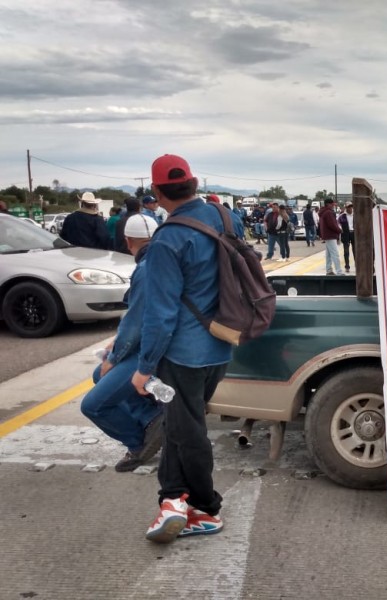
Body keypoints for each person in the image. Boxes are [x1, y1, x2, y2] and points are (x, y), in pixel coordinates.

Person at [132, 154, 233, 543]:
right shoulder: (225, 219)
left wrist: (144, 368)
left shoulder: (166, 242)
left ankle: (207, 508)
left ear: (156, 193)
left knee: (189, 431)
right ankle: (172, 499)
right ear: (193, 184)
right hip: (222, 345)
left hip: (183, 355)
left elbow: (159, 315)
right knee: (179, 424)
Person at [81, 214, 163, 472]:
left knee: (93, 405)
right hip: (162, 342)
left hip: (155, 349)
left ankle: (139, 443)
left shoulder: (148, 268)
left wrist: (114, 358)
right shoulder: (162, 260)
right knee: (99, 375)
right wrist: (116, 343)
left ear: (127, 241)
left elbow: (138, 322)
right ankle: (152, 418)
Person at [319, 198, 343, 275]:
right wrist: (339, 230)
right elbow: (332, 224)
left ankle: (329, 270)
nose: (333, 206)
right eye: (332, 204)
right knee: (335, 254)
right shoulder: (328, 213)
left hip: (327, 235)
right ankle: (339, 271)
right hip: (331, 235)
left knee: (328, 254)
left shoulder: (324, 212)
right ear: (328, 204)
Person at [337, 202, 355, 273]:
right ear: (346, 208)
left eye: (351, 207)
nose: (350, 208)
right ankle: (347, 266)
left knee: (355, 250)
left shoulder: (356, 215)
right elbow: (337, 223)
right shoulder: (342, 216)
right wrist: (340, 229)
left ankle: (357, 264)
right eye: (348, 207)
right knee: (346, 251)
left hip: (354, 233)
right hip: (345, 234)